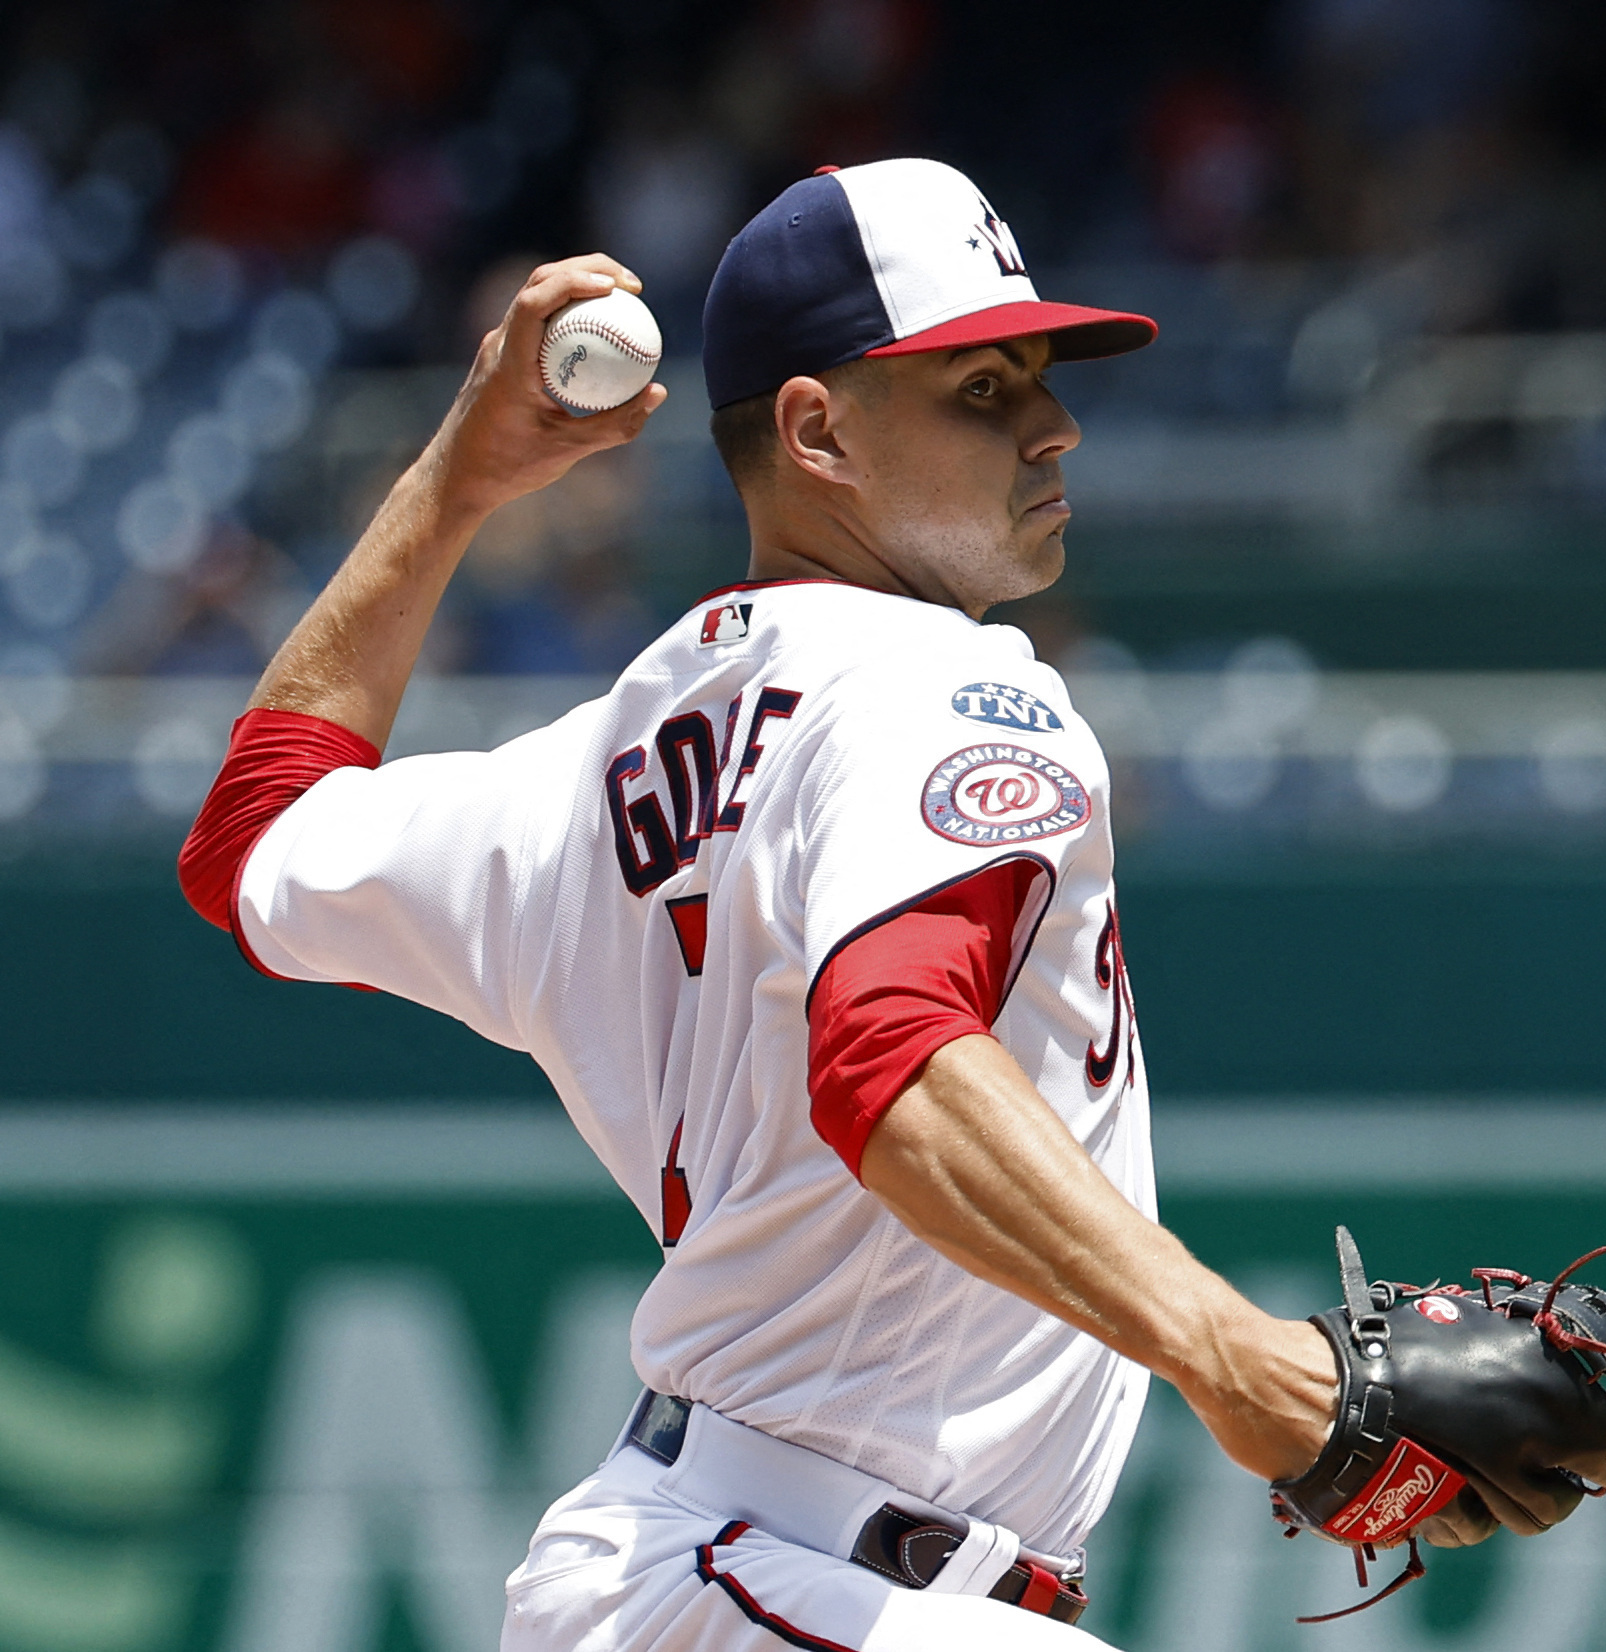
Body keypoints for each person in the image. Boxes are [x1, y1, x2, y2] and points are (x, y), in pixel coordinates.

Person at [173, 158, 1464, 1651]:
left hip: (727, 1571)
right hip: (791, 1575)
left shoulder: (598, 764)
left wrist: (457, 475)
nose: (1055, 427)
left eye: (1041, 377)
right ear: (815, 429)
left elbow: (253, 833)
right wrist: (1235, 1357)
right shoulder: (951, 686)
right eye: (984, 391)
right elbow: (889, 1059)